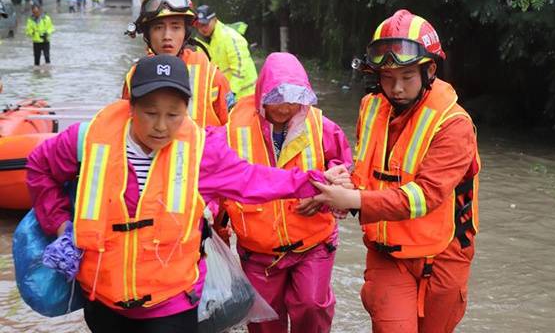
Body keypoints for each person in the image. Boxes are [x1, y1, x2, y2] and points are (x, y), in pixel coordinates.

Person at [26, 54, 350, 333]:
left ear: (186, 109)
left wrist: (314, 181)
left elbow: (254, 180)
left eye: (173, 114)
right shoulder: (86, 139)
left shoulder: (202, 151)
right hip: (103, 300)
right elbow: (39, 167)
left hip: (172, 304)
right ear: (130, 105)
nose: (161, 126)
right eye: (150, 112)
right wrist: (59, 226)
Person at [299, 9, 480, 333]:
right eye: (387, 77)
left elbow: (425, 196)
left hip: (444, 256)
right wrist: (345, 178)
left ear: (430, 71)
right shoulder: (371, 108)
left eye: (406, 77)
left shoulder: (454, 125)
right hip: (388, 254)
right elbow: (373, 169)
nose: (396, 88)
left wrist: (354, 199)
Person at [218, 52, 352, 333]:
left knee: (312, 306)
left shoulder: (322, 127)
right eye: (276, 97)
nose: (285, 106)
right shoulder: (233, 129)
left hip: (312, 242)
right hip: (258, 250)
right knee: (264, 321)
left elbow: (344, 169)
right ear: (261, 94)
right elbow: (219, 180)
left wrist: (325, 195)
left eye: (293, 97)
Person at [123, 0, 233, 127]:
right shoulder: (134, 77)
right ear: (147, 34)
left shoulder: (212, 77)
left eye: (176, 27)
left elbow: (231, 132)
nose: (167, 36)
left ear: (186, 33)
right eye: (158, 27)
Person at [194, 5, 258, 98]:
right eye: (199, 25)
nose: (202, 28)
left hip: (245, 94)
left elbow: (239, 67)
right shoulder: (200, 43)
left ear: (215, 20)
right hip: (224, 95)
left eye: (205, 24)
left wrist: (232, 92)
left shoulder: (230, 37)